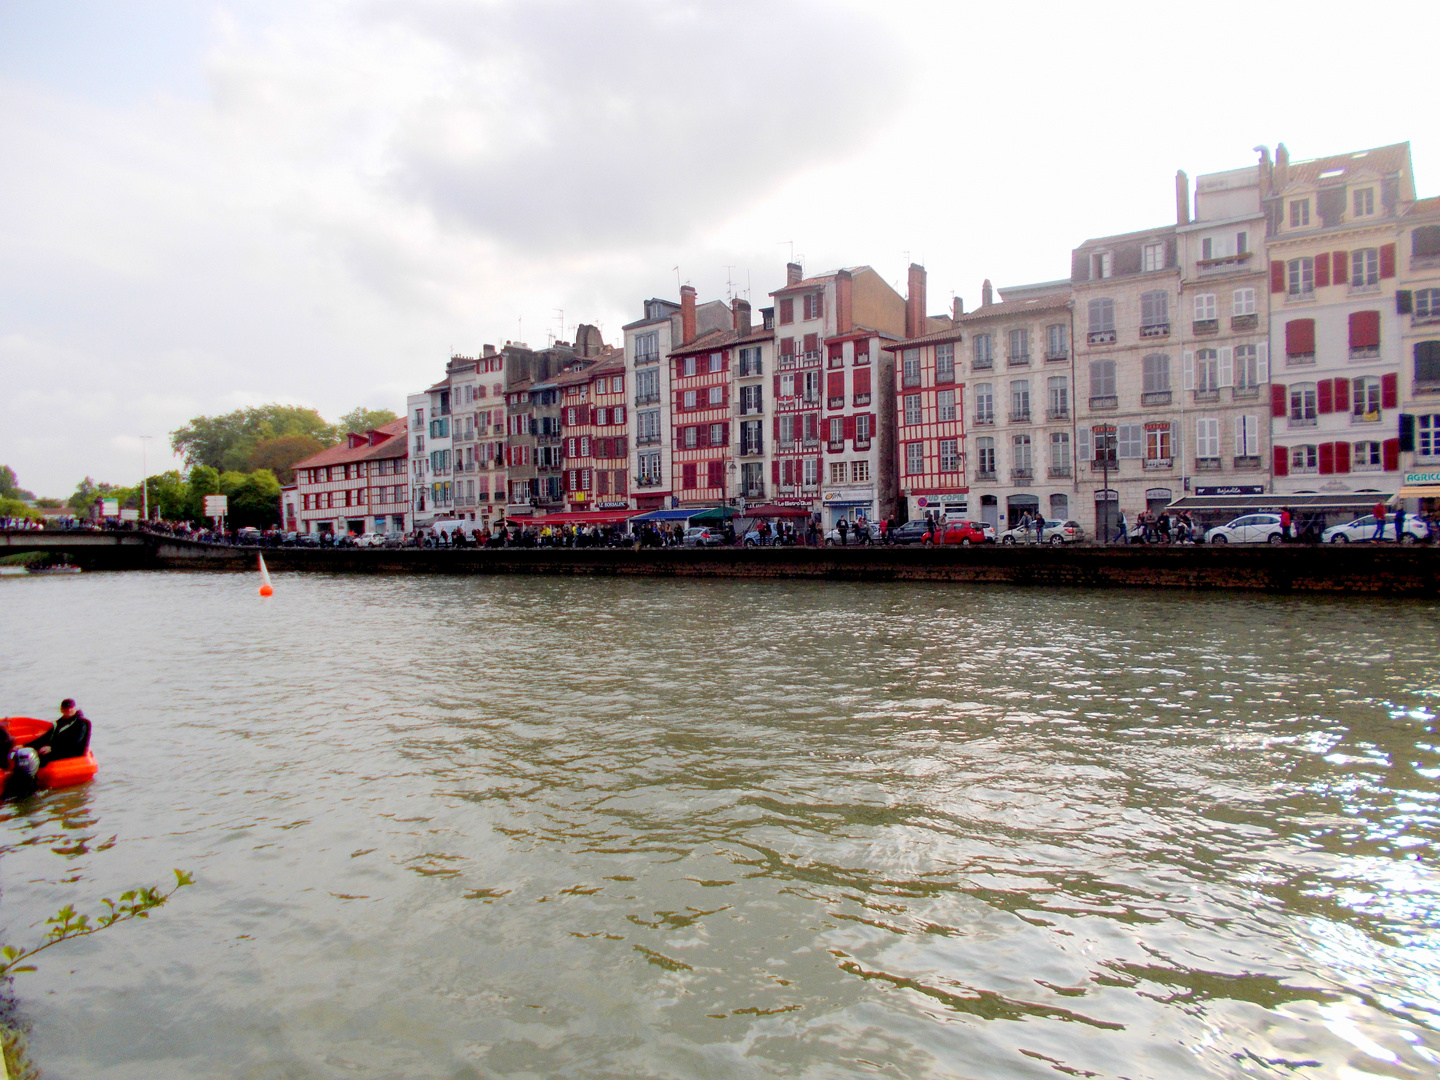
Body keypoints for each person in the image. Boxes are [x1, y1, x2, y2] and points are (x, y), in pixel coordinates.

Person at [31, 699, 91, 764]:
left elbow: (74, 742)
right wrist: (27, 746)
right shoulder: (59, 723)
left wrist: (51, 748)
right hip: (58, 749)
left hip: (72, 751)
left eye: (71, 708)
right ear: (61, 710)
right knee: (32, 754)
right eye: (66, 708)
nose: (69, 710)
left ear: (75, 708)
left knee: (40, 758)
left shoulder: (81, 724)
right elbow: (46, 737)